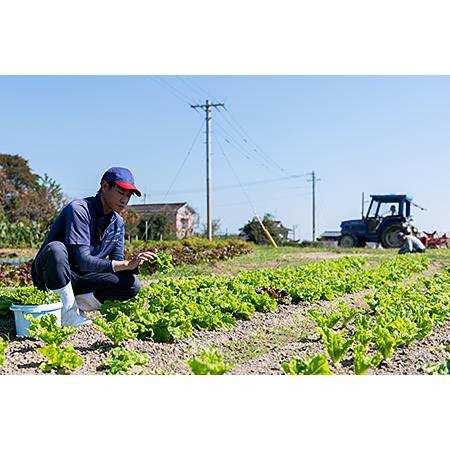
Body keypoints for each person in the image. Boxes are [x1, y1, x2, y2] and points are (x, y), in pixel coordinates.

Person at [31, 167, 156, 328]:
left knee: (131, 284)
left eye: (128, 196)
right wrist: (125, 264)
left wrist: (138, 266)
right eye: (120, 192)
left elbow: (116, 263)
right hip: (51, 274)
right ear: (105, 186)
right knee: (56, 249)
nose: (124, 200)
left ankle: (71, 305)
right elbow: (83, 260)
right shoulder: (79, 210)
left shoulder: (117, 223)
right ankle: (68, 314)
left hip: (81, 277)